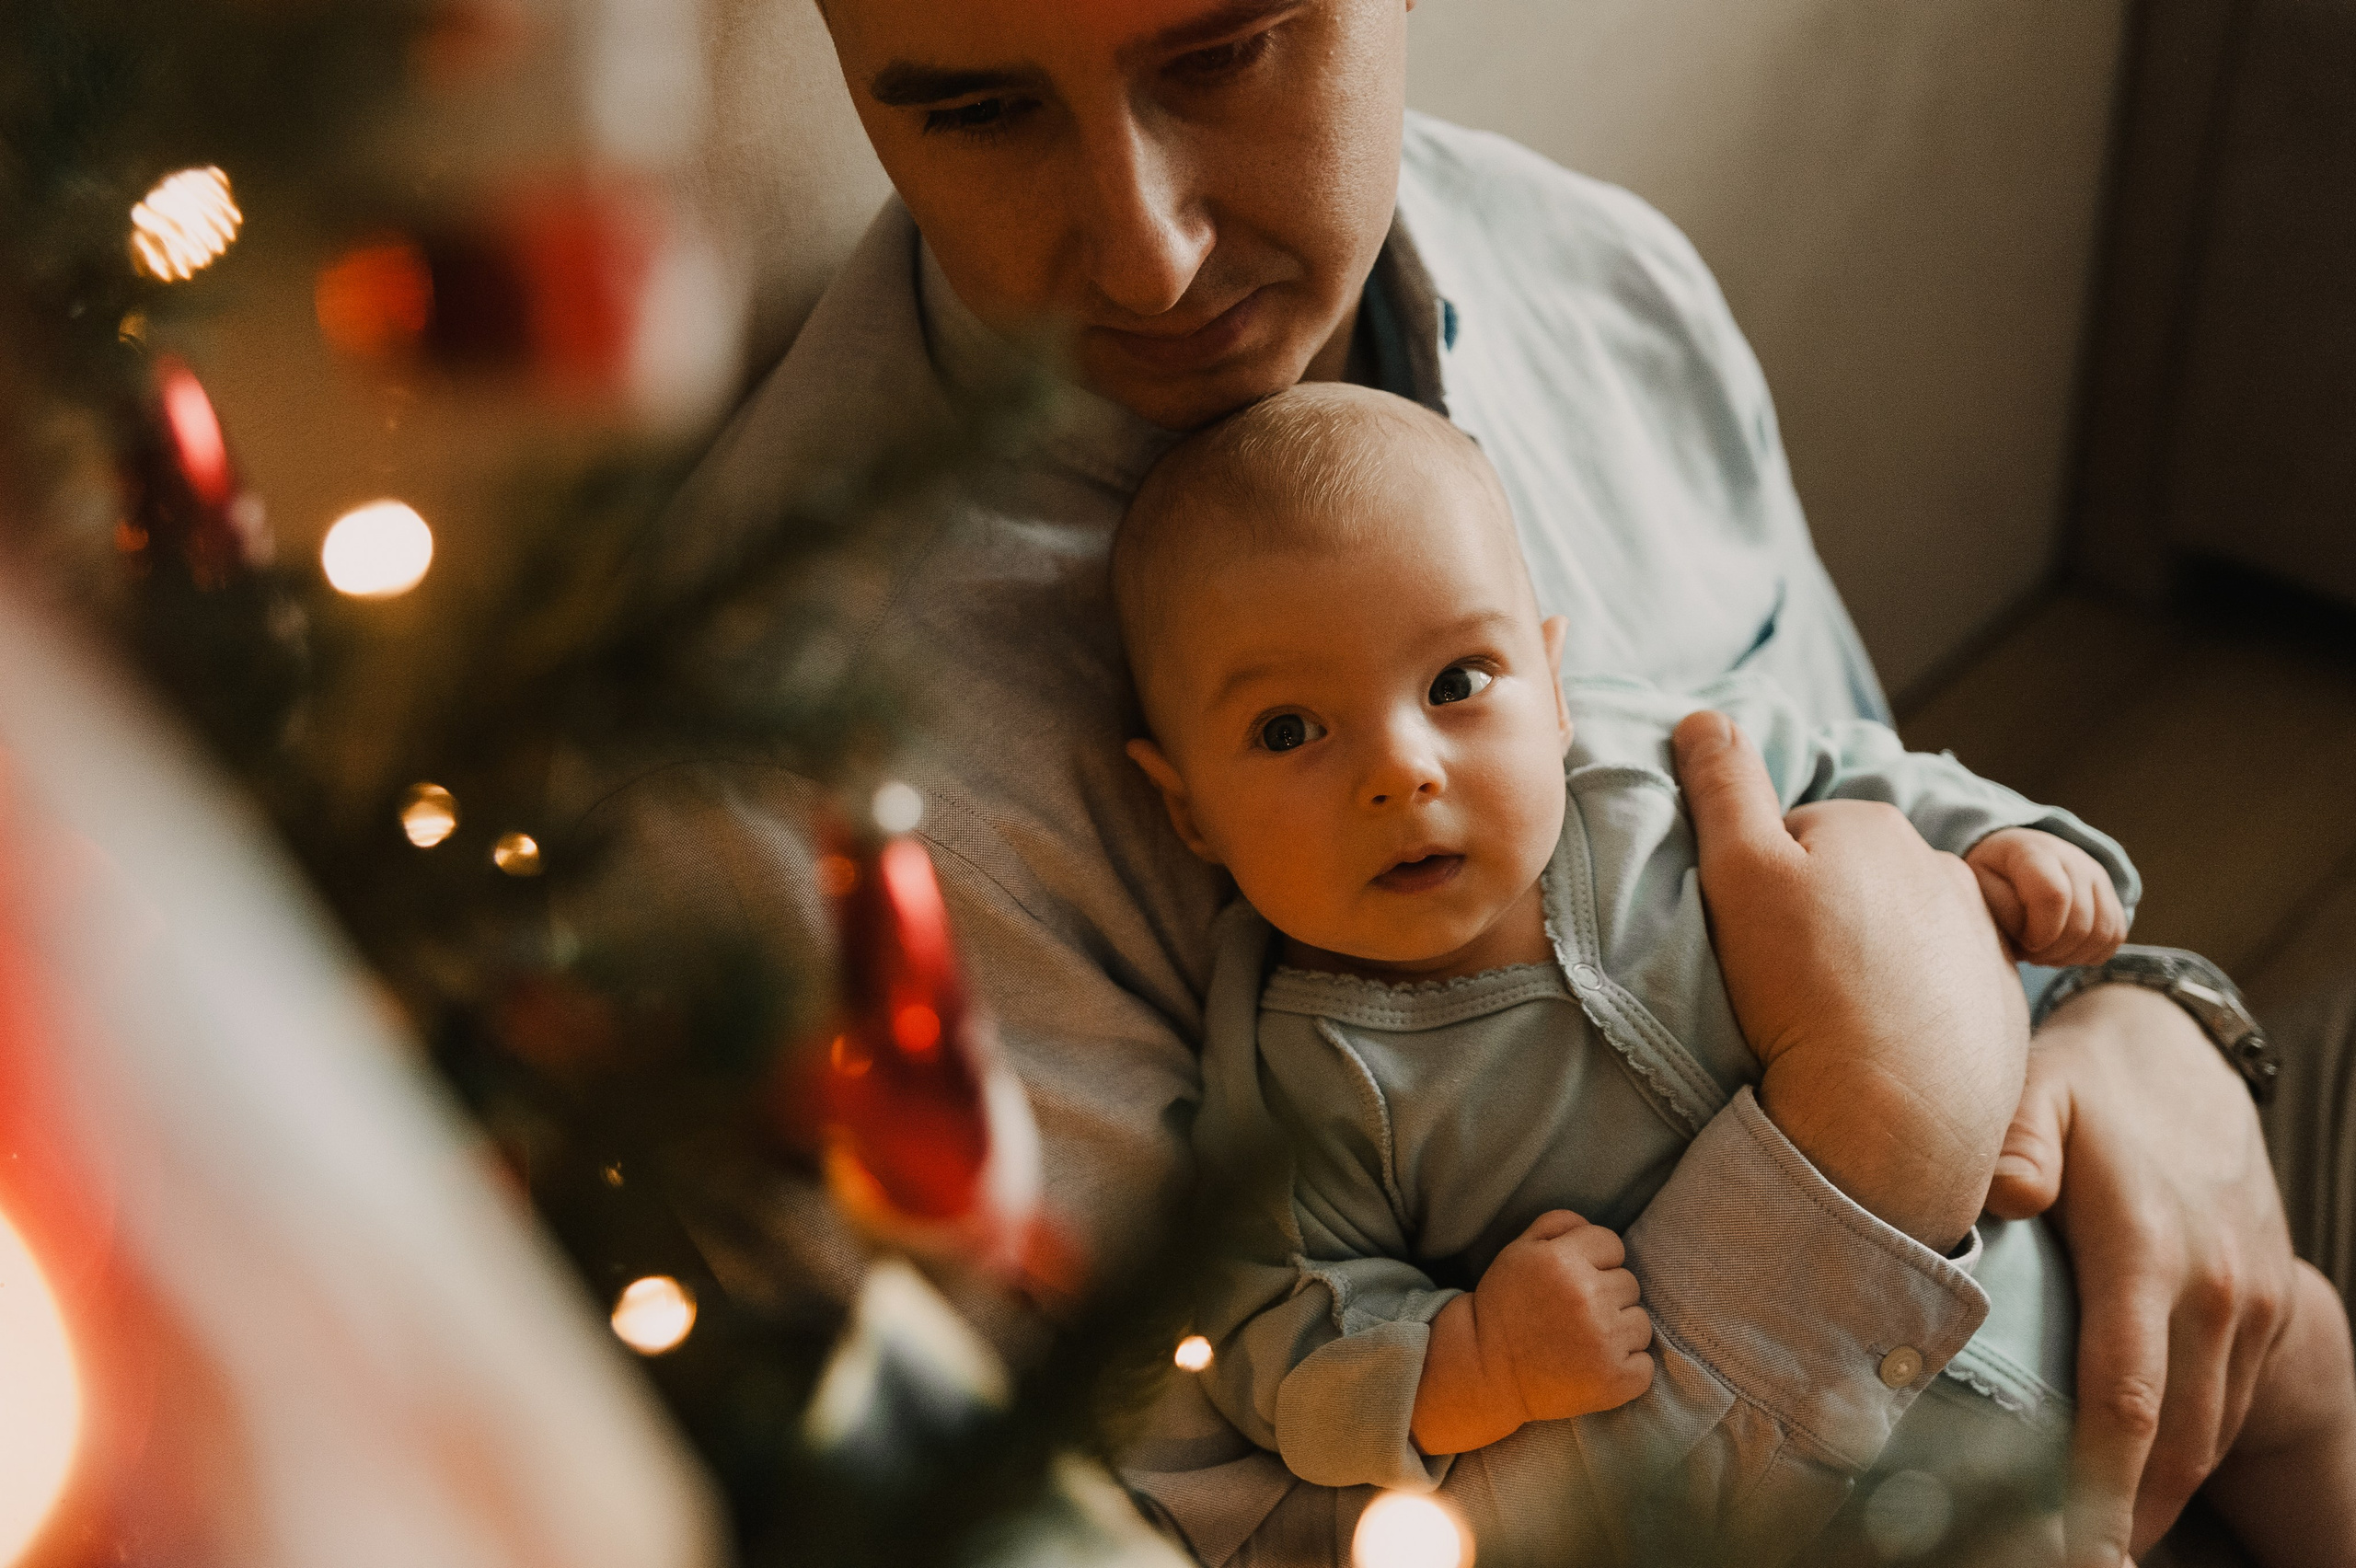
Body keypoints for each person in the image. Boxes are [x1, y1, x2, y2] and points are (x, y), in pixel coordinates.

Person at [637, 0, 2336, 1560]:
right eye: (980, 114)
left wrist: (2154, 1022)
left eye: (1223, 53)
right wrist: (1872, 1139)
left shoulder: (1593, 278)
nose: (1154, 256)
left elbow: (1869, 807)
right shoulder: (791, 801)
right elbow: (1283, 1523)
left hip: (2106, 1248)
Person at [1108, 382, 2356, 1564]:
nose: (1402, 769)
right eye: (1288, 730)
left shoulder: (1657, 761)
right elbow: (1288, 1342)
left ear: (1552, 681)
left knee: (2304, 1351)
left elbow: (1854, 776)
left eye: (1456, 683)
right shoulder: (1304, 1081)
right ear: (1188, 808)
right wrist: (1474, 1359)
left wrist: (2004, 842)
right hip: (1873, 1492)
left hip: (2061, 1276)